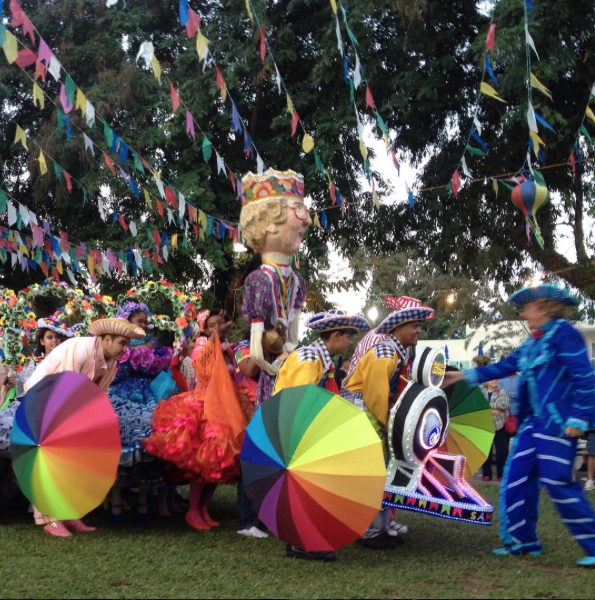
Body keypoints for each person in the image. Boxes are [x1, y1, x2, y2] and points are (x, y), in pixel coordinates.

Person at [443, 284, 595, 568]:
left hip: (558, 423)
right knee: (516, 478)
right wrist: (461, 375)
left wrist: (579, 417)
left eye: (529, 307)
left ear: (546, 308)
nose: (525, 313)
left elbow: (585, 378)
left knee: (558, 481)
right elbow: (506, 366)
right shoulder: (533, 341)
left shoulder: (565, 334)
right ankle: (523, 542)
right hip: (532, 425)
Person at [24, 317, 145, 537]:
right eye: (122, 343)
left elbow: (101, 395)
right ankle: (49, 520)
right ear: (106, 339)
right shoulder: (79, 348)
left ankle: (67, 513)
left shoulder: (111, 363)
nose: (124, 350)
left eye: (127, 344)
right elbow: (66, 387)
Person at [275, 309, 371, 561]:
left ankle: (308, 537)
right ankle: (300, 542)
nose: (350, 343)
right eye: (348, 337)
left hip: (309, 431)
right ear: (336, 335)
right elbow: (299, 403)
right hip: (298, 432)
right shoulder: (309, 359)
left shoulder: (320, 358)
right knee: (305, 487)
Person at [341, 296, 434, 550]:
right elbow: (376, 398)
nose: (418, 330)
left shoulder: (395, 351)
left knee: (380, 473)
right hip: (363, 414)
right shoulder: (385, 352)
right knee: (375, 473)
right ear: (398, 328)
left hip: (368, 414)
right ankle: (371, 531)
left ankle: (378, 528)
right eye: (414, 325)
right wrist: (390, 426)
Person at [144, 308, 248, 532]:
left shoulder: (228, 348)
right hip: (203, 405)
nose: (217, 328)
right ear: (204, 328)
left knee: (218, 463)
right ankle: (193, 511)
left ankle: (203, 509)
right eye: (212, 325)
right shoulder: (202, 344)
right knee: (203, 462)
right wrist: (213, 338)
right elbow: (201, 366)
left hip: (224, 406)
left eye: (220, 324)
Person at [240, 168, 312, 408]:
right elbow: (256, 350)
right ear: (268, 223)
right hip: (273, 373)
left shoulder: (297, 281)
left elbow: (293, 337)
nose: (308, 219)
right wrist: (274, 366)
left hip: (288, 368)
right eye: (299, 209)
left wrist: (287, 356)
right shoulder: (259, 280)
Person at [108, 299, 176, 522]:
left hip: (148, 396)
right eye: (139, 321)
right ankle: (116, 503)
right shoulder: (118, 343)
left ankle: (144, 503)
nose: (145, 325)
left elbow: (161, 369)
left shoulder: (155, 344)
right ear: (127, 321)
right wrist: (133, 351)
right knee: (121, 442)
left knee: (151, 439)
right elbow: (115, 373)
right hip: (121, 395)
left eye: (146, 322)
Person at [0, 318, 77, 456]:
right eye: (50, 337)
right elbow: (23, 387)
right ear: (42, 341)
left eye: (57, 337)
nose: (54, 340)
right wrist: (11, 382)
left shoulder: (66, 364)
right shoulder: (33, 364)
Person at [233, 331, 268, 539]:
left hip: (266, 409)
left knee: (268, 466)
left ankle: (264, 520)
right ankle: (245, 523)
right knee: (249, 466)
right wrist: (263, 345)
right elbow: (249, 368)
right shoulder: (243, 346)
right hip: (247, 413)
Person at [479, 377, 510, 482]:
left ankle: (501, 474)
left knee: (502, 452)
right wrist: (493, 410)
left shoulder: (502, 391)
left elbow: (503, 404)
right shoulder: (480, 392)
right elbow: (477, 407)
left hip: (500, 425)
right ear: (487, 381)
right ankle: (486, 474)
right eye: (492, 379)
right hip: (484, 426)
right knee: (485, 452)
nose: (494, 381)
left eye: (496, 379)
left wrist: (486, 408)